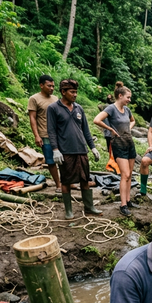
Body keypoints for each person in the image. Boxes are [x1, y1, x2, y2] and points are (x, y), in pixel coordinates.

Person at [47, 79, 102, 219]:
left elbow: (86, 130)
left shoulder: (79, 108)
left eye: (76, 92)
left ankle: (89, 207)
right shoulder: (53, 108)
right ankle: (68, 211)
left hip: (81, 149)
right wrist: (55, 149)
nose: (75, 94)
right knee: (66, 181)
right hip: (65, 151)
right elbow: (51, 131)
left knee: (85, 179)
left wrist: (93, 148)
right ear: (63, 92)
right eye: (72, 92)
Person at [93, 82, 137, 216]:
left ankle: (128, 200)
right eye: (128, 97)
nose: (129, 100)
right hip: (118, 143)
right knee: (125, 175)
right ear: (120, 96)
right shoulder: (111, 108)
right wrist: (110, 129)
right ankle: (123, 205)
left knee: (130, 174)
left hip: (129, 142)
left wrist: (129, 128)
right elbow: (97, 120)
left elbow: (133, 121)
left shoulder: (127, 110)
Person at [28, 74, 61, 193]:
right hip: (45, 134)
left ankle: (67, 182)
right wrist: (36, 135)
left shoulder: (56, 98)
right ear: (41, 85)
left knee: (64, 159)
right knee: (51, 161)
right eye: (49, 86)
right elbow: (32, 118)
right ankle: (58, 184)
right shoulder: (34, 99)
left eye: (53, 86)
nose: (51, 88)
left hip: (59, 134)